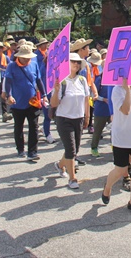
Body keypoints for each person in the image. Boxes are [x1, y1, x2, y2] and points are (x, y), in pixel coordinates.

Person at [101, 77, 131, 213]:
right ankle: (108, 187)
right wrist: (127, 89)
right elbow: (126, 110)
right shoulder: (117, 90)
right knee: (121, 170)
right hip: (122, 137)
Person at [51, 53, 91, 189]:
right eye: (73, 61)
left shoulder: (82, 80)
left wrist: (87, 117)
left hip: (78, 118)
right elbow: (54, 104)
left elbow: (86, 99)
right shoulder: (61, 81)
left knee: (74, 149)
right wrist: (56, 91)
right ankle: (72, 178)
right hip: (64, 119)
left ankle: (60, 165)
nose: (76, 64)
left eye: (78, 62)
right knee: (70, 149)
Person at [3, 44, 48, 161]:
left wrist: (44, 95)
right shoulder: (12, 66)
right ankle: (20, 149)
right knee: (19, 126)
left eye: (29, 57)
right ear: (19, 56)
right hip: (17, 102)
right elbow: (8, 82)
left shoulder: (34, 64)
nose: (27, 59)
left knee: (34, 126)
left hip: (32, 101)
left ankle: (32, 152)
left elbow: (38, 80)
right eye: (25, 57)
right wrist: (9, 95)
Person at [90, 52, 110, 157]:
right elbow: (94, 95)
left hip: (112, 110)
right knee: (98, 131)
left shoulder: (114, 79)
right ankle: (94, 147)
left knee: (114, 131)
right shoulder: (99, 79)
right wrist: (104, 99)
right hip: (101, 110)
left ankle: (115, 149)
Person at [0, 42, 12, 123]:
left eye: (1, 48)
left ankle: (5, 113)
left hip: (3, 79)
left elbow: (10, 67)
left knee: (3, 96)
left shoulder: (6, 58)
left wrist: (5, 69)